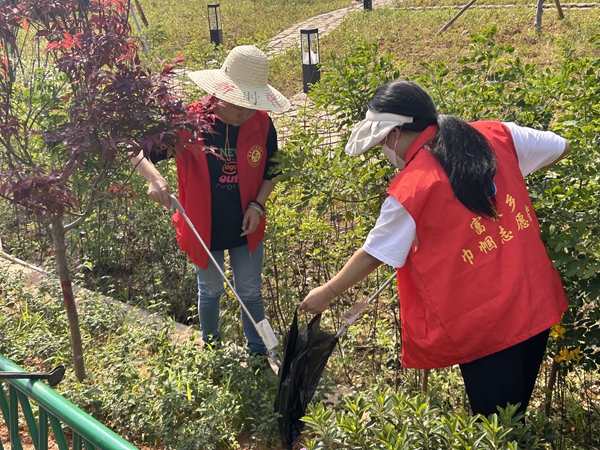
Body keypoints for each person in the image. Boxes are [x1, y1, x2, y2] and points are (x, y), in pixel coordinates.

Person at [298, 80, 570, 417]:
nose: (384, 147)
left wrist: (327, 292)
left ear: (397, 132)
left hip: (486, 325)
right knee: (515, 414)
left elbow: (374, 253)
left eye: (383, 139)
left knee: (496, 429)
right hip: (532, 302)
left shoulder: (413, 186)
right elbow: (560, 145)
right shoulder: (495, 135)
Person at [132, 45, 290, 357]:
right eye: (239, 104)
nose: (245, 112)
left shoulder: (260, 123)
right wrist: (154, 179)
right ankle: (212, 349)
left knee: (249, 291)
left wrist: (258, 205)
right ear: (220, 91)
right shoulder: (188, 121)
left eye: (251, 103)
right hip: (203, 223)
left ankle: (259, 352)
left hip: (247, 223)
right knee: (211, 289)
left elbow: (274, 167)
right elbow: (136, 150)